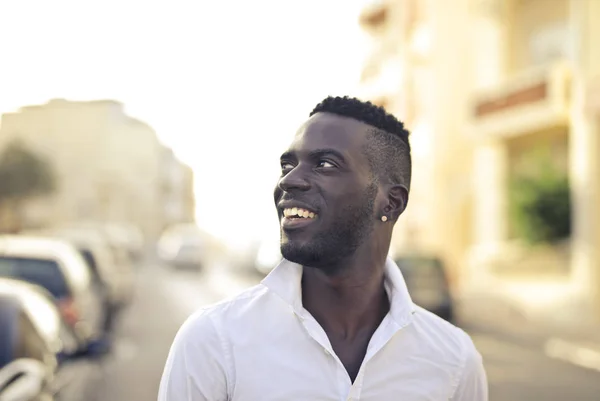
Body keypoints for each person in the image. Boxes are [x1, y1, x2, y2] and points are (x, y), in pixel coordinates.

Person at [158, 96, 488, 400]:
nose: (288, 181)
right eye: (288, 165)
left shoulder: (454, 361)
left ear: (392, 201)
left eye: (325, 164)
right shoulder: (214, 341)